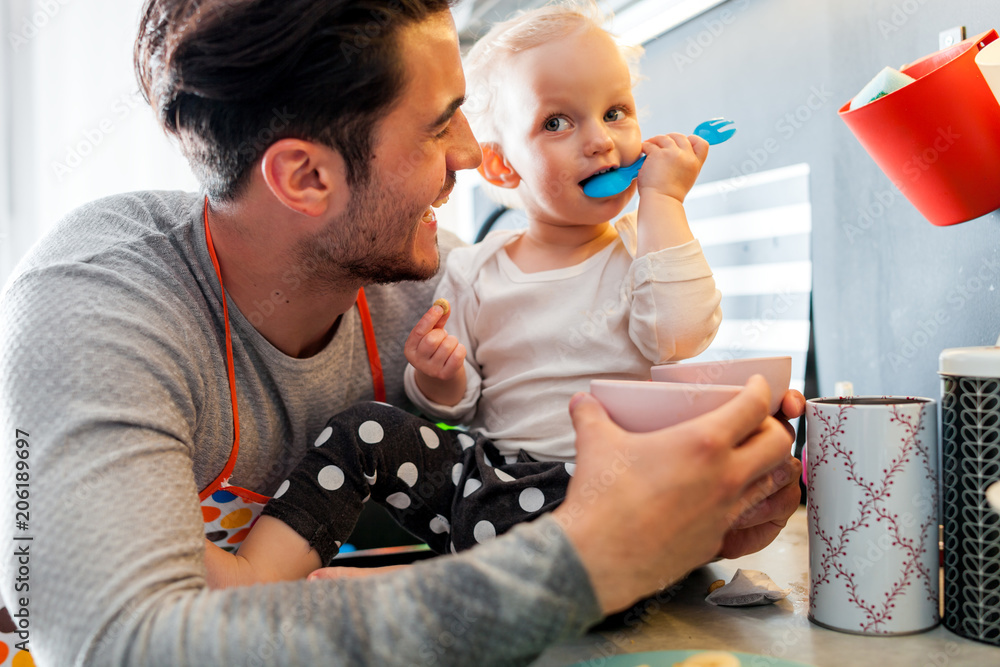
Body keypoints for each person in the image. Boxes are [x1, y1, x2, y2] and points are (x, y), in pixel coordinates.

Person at [0, 1, 803, 665]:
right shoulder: (98, 298)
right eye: (440, 124)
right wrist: (586, 559)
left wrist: (697, 509)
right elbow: (101, 642)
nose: (469, 154)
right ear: (306, 177)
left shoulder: (434, 285)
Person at [202, 2, 729, 587]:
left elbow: (678, 334)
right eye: (557, 122)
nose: (601, 142)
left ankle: (395, 587)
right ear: (502, 167)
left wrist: (664, 203)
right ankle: (261, 573)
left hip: (607, 495)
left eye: (616, 111)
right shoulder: (475, 268)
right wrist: (439, 379)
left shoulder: (646, 248)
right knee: (364, 430)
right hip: (490, 485)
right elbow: (456, 408)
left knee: (649, 534)